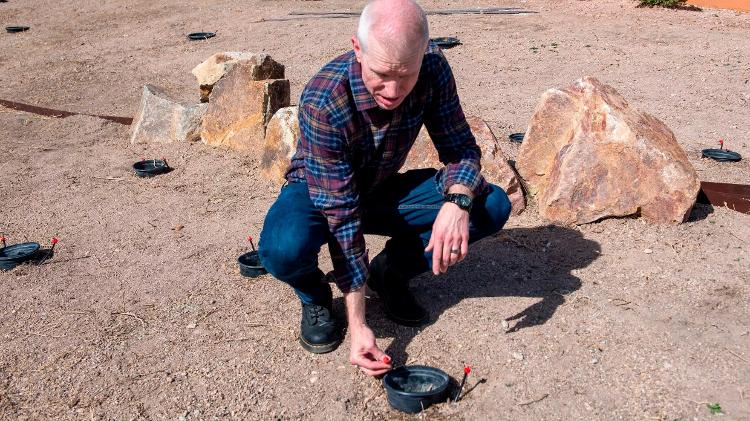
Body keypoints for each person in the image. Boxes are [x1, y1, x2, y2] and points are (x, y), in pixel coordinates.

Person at [259, 0, 511, 377]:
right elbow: (342, 217)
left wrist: (458, 200)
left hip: (380, 189)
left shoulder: (434, 69)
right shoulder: (324, 99)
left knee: (490, 206)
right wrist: (359, 326)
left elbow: (460, 148)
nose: (393, 91)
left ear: (423, 55)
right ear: (357, 49)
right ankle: (314, 295)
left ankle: (391, 271)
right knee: (281, 249)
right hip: (317, 190)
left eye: (405, 75)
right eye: (381, 74)